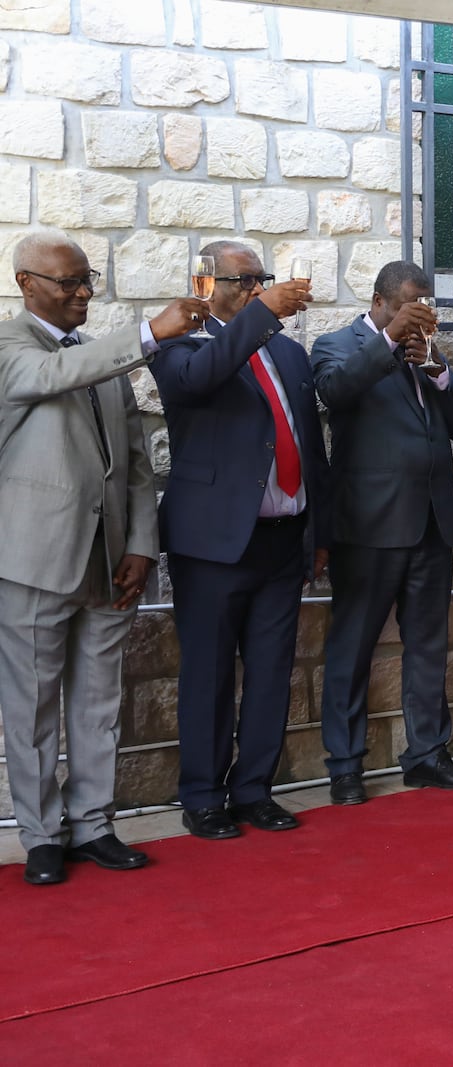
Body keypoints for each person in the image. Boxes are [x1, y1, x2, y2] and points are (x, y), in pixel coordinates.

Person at [0, 233, 204, 884]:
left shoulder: (99, 357)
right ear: (26, 283)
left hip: (112, 559)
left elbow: (139, 464)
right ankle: (41, 835)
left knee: (98, 701)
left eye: (87, 279)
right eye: (68, 282)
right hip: (35, 559)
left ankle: (94, 824)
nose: (83, 291)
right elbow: (48, 376)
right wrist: (147, 332)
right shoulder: (12, 348)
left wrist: (142, 543)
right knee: (31, 705)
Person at [153, 240, 330, 840]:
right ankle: (203, 795)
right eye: (245, 279)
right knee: (208, 674)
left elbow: (310, 445)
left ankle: (254, 788)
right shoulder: (179, 344)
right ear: (207, 282)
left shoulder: (288, 352)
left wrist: (318, 530)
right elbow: (198, 381)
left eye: (263, 278)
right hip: (212, 546)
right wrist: (261, 315)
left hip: (283, 539)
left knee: (272, 671)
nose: (257, 288)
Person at [312, 261, 453, 804]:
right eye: (410, 305)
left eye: (425, 306)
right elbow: (337, 392)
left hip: (431, 523)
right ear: (380, 301)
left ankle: (428, 756)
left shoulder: (426, 352)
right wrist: (387, 341)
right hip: (368, 526)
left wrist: (435, 367)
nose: (419, 316)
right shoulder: (336, 345)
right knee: (352, 647)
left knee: (429, 646)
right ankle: (344, 766)